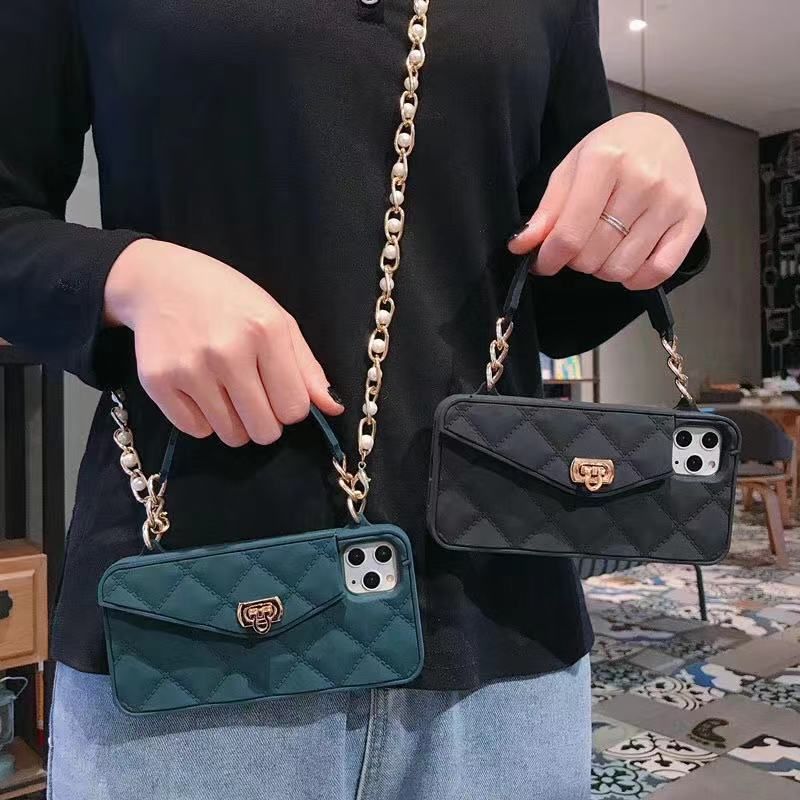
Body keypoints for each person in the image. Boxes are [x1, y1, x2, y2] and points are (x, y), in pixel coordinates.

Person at [0, 1, 708, 798]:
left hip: (501, 633)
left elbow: (561, 298)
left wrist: (647, 178)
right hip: (192, 627)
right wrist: (128, 277)